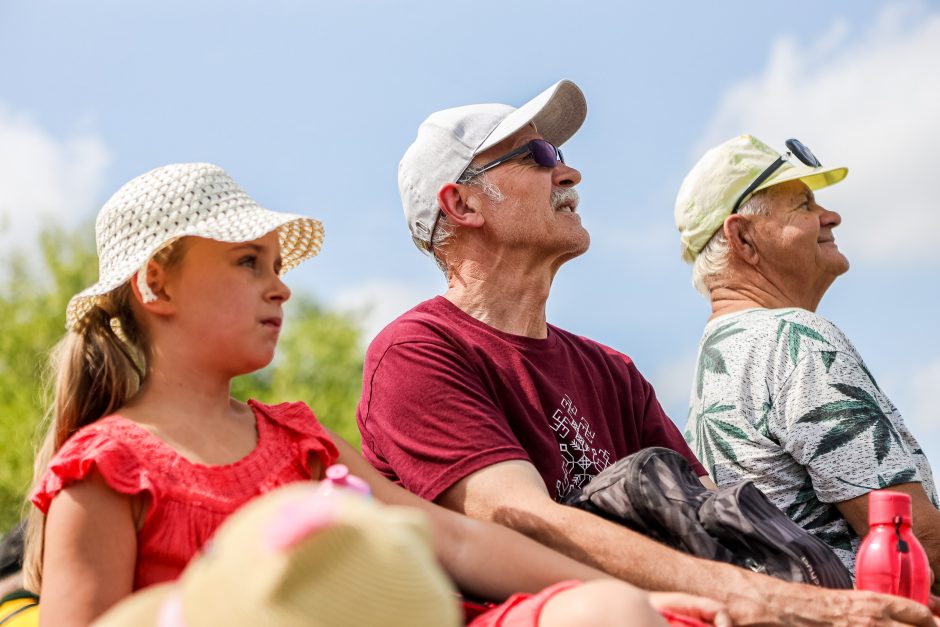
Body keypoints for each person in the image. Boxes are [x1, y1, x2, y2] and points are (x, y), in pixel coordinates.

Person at [23, 162, 723, 627]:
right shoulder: (104, 468)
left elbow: (448, 533)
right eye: (247, 262)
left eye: (275, 263)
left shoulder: (293, 439)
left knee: (609, 614)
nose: (281, 285)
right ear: (156, 284)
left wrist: (630, 592)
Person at [357, 80, 939, 625]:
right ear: (462, 205)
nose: (569, 172)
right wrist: (774, 599)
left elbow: (714, 513)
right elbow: (521, 520)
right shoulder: (417, 354)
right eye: (538, 155)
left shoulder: (611, 371)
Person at [675, 134, 940, 579]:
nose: (831, 216)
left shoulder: (716, 362)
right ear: (742, 237)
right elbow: (909, 537)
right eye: (804, 205)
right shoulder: (791, 339)